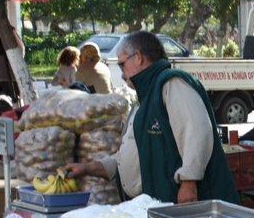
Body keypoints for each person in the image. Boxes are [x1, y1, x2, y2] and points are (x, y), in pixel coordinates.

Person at [65, 31, 239, 205]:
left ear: (138, 57)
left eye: (122, 65)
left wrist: (188, 183)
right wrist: (87, 168)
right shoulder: (145, 97)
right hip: (157, 205)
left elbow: (197, 132)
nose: (123, 74)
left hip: (186, 206)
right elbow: (128, 157)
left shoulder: (171, 83)